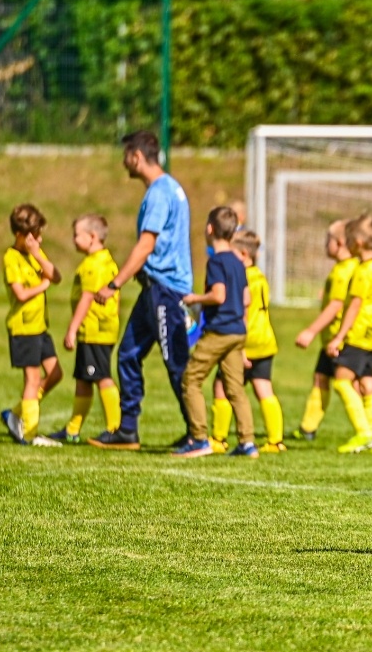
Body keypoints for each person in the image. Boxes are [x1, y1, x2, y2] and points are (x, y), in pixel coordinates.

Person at [90, 129, 193, 451]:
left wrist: (114, 284)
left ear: (136, 156)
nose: (124, 162)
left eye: (126, 156)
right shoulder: (167, 189)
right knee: (128, 354)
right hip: (154, 289)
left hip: (167, 291)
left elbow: (146, 244)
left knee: (176, 361)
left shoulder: (161, 193)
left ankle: (199, 433)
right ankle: (128, 430)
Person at [177, 207, 256, 459]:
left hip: (219, 332)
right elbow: (246, 298)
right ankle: (247, 443)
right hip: (237, 332)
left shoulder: (217, 261)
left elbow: (218, 294)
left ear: (210, 229)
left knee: (191, 380)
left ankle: (199, 440)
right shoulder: (237, 261)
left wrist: (194, 299)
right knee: (235, 389)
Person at [49, 214, 121, 444]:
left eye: (76, 235)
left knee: (101, 377)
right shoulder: (103, 260)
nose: (73, 239)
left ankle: (115, 428)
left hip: (94, 330)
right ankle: (72, 429)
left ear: (92, 237)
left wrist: (72, 329)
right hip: (97, 329)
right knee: (83, 379)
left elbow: (87, 298)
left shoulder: (94, 265)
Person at [0, 204, 64, 446]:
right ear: (19, 235)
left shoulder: (34, 252)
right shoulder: (11, 258)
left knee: (56, 374)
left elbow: (56, 276)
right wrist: (42, 286)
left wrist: (37, 254)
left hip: (39, 327)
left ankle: (15, 414)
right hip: (23, 327)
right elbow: (20, 294)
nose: (39, 239)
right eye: (34, 235)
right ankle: (29, 434)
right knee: (33, 380)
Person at [290, 220, 357, 442]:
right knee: (321, 378)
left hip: (339, 337)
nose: (324, 245)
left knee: (350, 383)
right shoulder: (344, 268)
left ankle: (366, 432)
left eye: (326, 240)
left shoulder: (343, 272)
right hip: (332, 336)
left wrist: (310, 331)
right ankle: (308, 428)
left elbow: (336, 305)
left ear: (338, 243)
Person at [325, 214, 372, 455]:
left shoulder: (361, 271)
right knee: (367, 384)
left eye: (348, 239)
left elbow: (355, 305)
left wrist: (339, 337)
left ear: (358, 242)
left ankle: (363, 433)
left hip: (358, 333)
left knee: (341, 380)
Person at [233, 231, 286, 453]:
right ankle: (276, 440)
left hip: (249, 339)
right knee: (264, 387)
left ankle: (218, 438)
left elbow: (244, 314)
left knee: (222, 388)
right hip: (266, 339)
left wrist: (240, 347)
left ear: (244, 254)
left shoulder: (243, 279)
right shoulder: (260, 276)